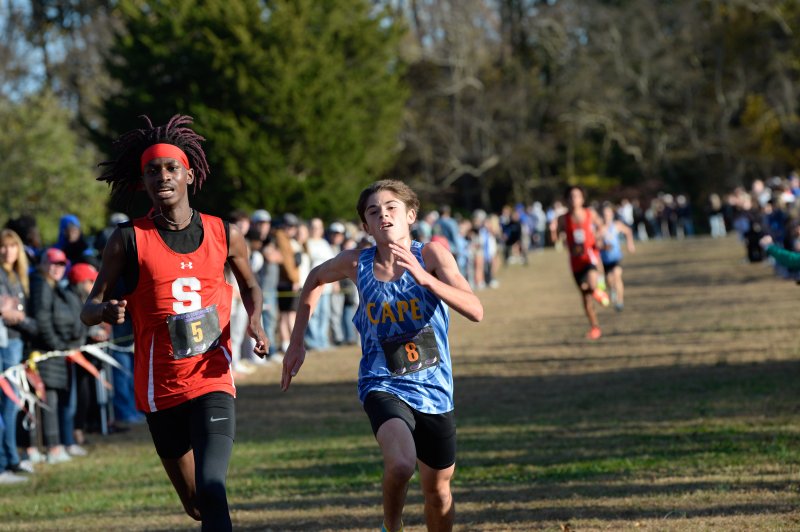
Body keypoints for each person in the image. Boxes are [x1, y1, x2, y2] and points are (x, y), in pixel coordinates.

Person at [80, 114, 268, 531]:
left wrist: (255, 321)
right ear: (142, 182)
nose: (162, 177)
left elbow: (251, 286)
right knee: (197, 503)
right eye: (152, 171)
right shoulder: (127, 239)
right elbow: (89, 308)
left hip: (212, 377)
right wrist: (106, 311)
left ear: (189, 175)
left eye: (170, 168)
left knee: (213, 485)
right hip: (159, 387)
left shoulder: (224, 233)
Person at [281, 179, 483, 532]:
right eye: (374, 212)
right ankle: (392, 524)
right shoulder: (356, 263)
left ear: (410, 215)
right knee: (402, 464)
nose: (384, 215)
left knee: (438, 490)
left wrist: (425, 278)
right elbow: (313, 278)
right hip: (382, 382)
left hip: (434, 388)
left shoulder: (432, 255)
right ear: (366, 226)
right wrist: (297, 341)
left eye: (391, 208)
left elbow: (475, 309)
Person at [29, 247, 87, 463]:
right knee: (47, 401)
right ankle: (51, 447)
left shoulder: (53, 287)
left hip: (54, 351)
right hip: (44, 352)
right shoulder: (41, 284)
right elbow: (42, 319)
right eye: (52, 263)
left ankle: (57, 444)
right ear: (43, 264)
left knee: (56, 400)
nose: (57, 268)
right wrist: (57, 345)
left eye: (61, 264)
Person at [0, 228, 38, 479]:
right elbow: (6, 311)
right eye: (3, 246)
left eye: (12, 246)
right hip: (5, 344)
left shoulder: (16, 275)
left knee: (12, 405)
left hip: (16, 342)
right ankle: (5, 463)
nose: (7, 250)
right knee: (8, 404)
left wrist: (21, 317)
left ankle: (12, 459)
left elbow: (17, 312)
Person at [550, 186, 610, 339]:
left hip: (590, 257)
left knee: (590, 284)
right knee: (586, 298)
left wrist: (598, 235)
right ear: (566, 200)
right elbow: (555, 240)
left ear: (582, 199)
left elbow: (601, 226)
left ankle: (598, 290)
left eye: (577, 196)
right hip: (575, 262)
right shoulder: (563, 218)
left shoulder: (590, 213)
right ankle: (595, 327)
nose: (574, 199)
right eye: (571, 196)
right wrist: (552, 230)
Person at [598, 203, 636, 312]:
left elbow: (628, 231)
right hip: (604, 260)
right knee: (609, 281)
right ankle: (613, 291)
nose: (606, 216)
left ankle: (620, 301)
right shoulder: (600, 228)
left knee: (617, 276)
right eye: (604, 214)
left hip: (616, 257)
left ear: (611, 214)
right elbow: (596, 243)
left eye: (608, 214)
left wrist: (630, 244)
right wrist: (603, 245)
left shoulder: (617, 225)